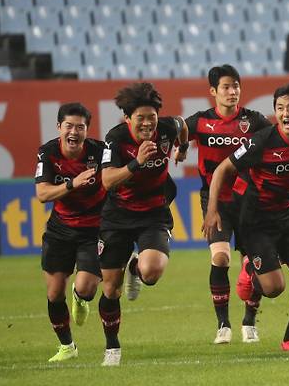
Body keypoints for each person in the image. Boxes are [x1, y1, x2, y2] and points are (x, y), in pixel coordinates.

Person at [186, 65, 289, 345]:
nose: (285, 113)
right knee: (274, 288)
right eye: (279, 108)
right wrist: (211, 209)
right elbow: (221, 170)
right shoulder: (263, 140)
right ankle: (251, 274)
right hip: (256, 220)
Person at [98, 82, 189, 366]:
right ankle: (112, 347)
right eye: (141, 118)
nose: (148, 123)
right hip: (118, 216)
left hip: (153, 213)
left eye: (152, 117)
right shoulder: (115, 138)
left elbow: (183, 125)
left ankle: (136, 266)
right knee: (110, 289)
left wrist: (183, 148)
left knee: (152, 272)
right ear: (128, 119)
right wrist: (136, 163)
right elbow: (107, 180)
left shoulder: (167, 128)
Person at [35, 103, 106, 362]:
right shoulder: (48, 153)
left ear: (87, 130)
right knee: (54, 293)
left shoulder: (100, 152)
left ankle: (80, 297)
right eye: (69, 126)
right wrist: (72, 183)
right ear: (59, 128)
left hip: (94, 229)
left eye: (80, 126)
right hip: (60, 229)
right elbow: (42, 194)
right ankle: (67, 347)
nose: (74, 131)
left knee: (86, 288)